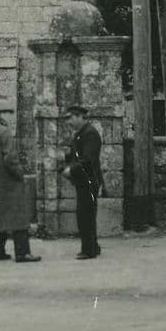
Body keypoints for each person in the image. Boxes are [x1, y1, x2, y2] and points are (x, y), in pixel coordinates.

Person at [0, 99, 41, 263]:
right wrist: (20, 173)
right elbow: (10, 158)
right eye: (8, 113)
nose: (11, 116)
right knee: (18, 217)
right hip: (9, 182)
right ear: (1, 114)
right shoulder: (5, 132)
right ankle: (22, 253)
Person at [61, 104, 103, 259]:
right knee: (85, 214)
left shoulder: (90, 134)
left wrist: (71, 170)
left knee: (85, 215)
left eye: (71, 118)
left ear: (80, 117)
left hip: (89, 181)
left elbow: (87, 160)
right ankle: (93, 246)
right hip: (84, 180)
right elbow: (77, 157)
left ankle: (88, 250)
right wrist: (67, 157)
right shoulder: (81, 133)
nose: (68, 122)